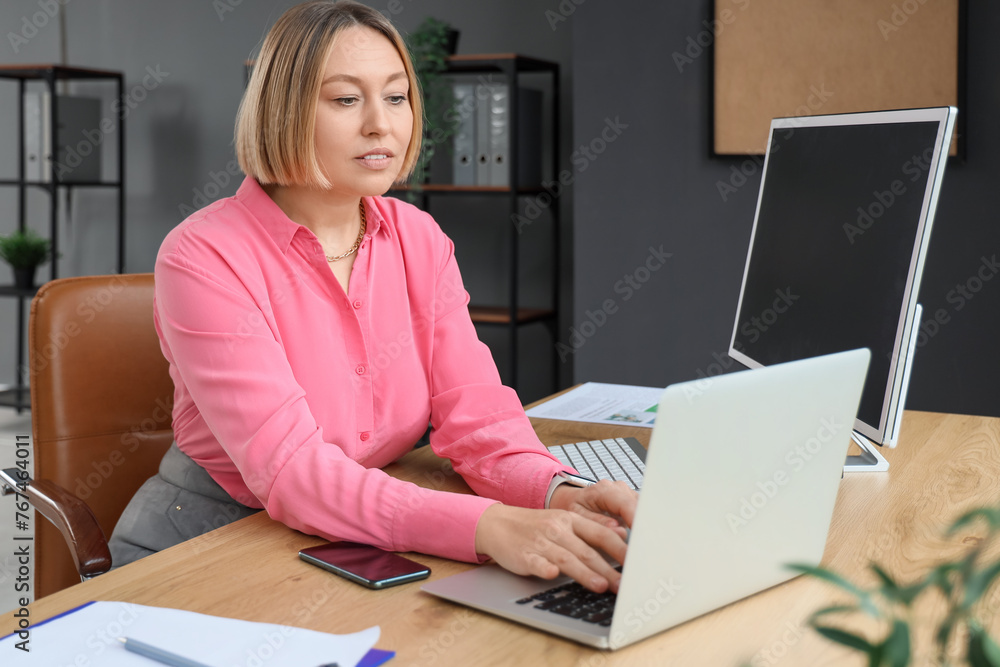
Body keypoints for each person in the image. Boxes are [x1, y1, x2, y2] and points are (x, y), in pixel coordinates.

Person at [109, 0, 637, 594]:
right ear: (283, 111)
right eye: (344, 99)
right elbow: (296, 475)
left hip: (356, 531)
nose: (381, 125)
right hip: (209, 542)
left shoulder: (419, 238)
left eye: (396, 96)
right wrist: (488, 526)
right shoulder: (203, 255)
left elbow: (478, 418)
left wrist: (561, 494)